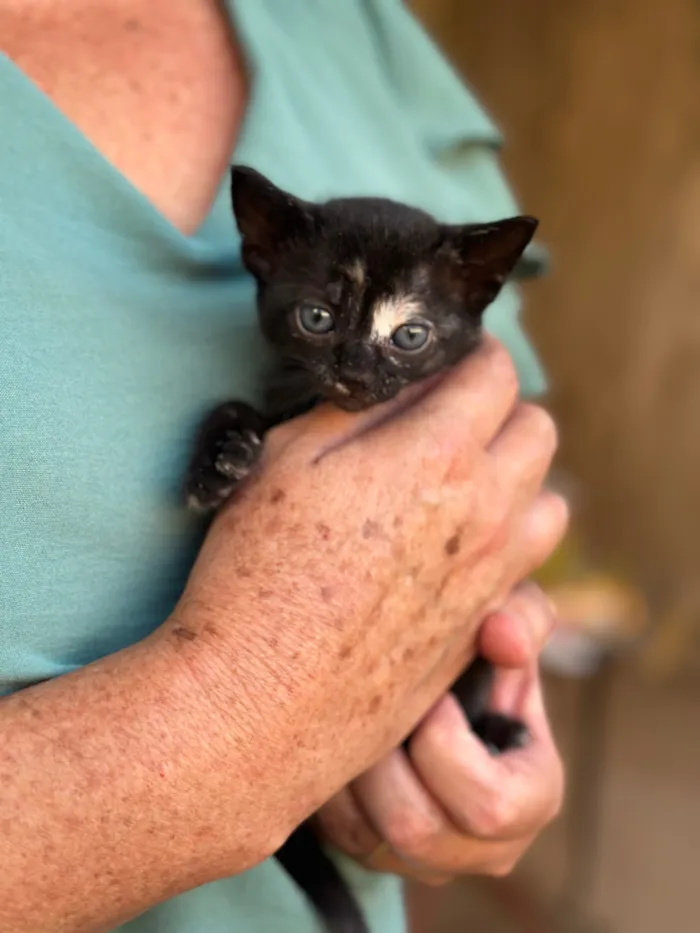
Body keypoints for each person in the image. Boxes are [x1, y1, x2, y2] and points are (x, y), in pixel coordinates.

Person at [0, 2, 567, 932]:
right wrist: (243, 702)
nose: (355, 368)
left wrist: (498, 690)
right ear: (261, 251)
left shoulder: (344, 22)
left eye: (406, 339)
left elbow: (494, 521)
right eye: (319, 320)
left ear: (475, 292)